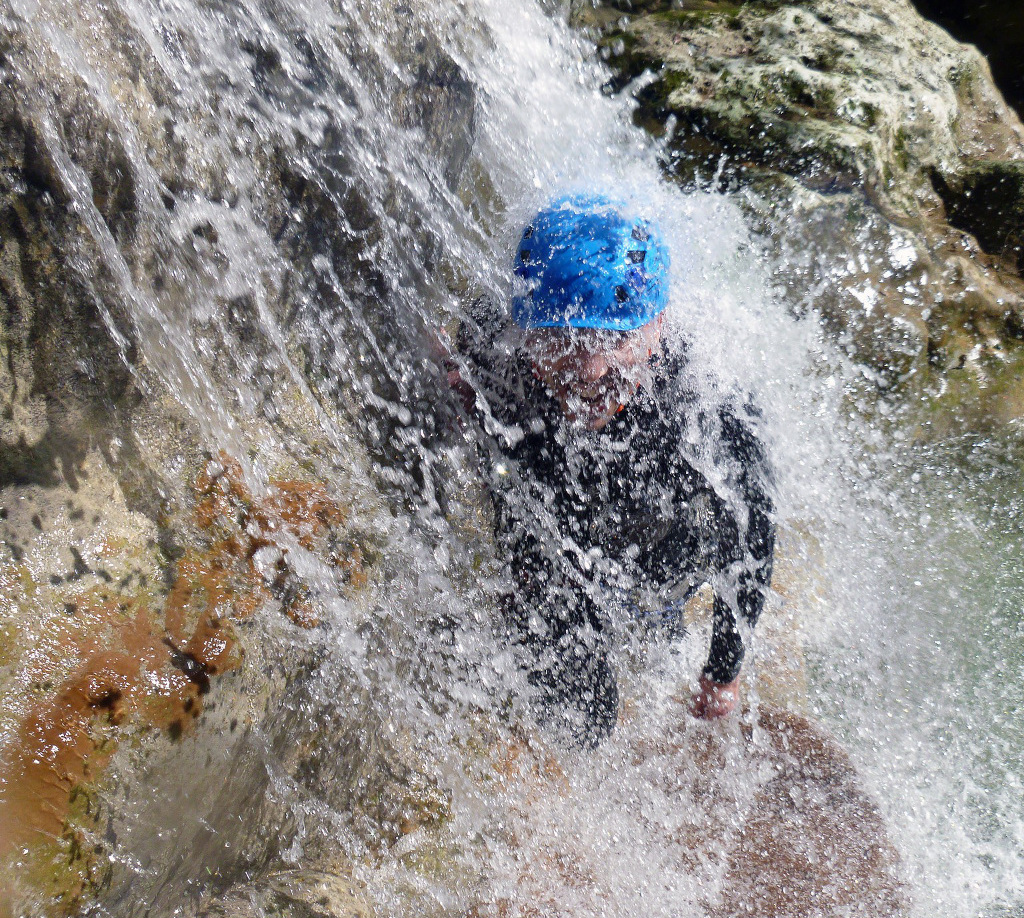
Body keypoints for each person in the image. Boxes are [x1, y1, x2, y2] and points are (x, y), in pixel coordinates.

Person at [447, 193, 776, 748]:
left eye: (614, 338)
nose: (590, 370)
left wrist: (723, 673)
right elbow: (469, 335)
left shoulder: (705, 410)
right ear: (524, 329)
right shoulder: (500, 343)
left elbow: (754, 536)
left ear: (658, 326)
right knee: (584, 715)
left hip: (657, 537)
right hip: (546, 508)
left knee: (653, 610)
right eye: (563, 340)